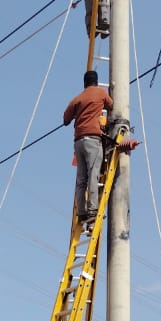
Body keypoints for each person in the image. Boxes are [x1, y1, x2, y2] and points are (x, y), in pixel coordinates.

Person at [63, 70, 113, 223]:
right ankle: (92, 210)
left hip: (79, 142)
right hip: (93, 139)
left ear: (84, 83)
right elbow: (111, 106)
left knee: (81, 179)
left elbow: (65, 119)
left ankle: (82, 212)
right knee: (93, 174)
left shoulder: (78, 98)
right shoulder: (100, 93)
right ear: (96, 82)